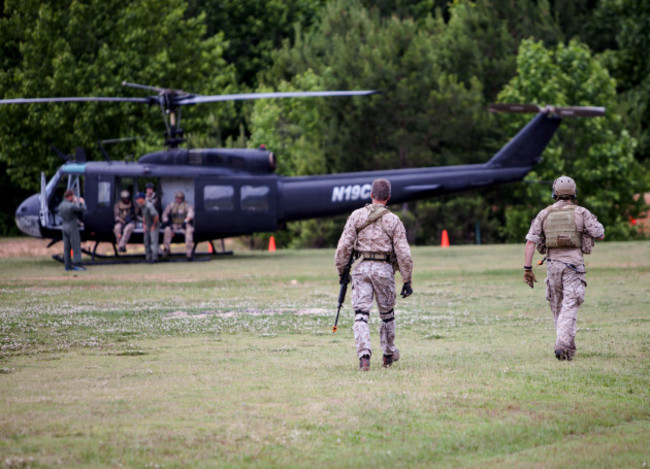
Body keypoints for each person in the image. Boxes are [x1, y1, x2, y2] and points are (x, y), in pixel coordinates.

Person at [334, 178, 413, 371]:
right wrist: (406, 279)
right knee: (387, 315)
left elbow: (344, 246)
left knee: (361, 315)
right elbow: (403, 253)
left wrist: (341, 270)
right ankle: (388, 354)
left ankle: (364, 356)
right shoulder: (393, 220)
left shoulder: (356, 216)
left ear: (371, 195)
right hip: (384, 271)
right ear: (388, 197)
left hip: (361, 270)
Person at [523, 175, 605, 361]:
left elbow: (530, 243)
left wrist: (527, 268)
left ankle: (568, 347)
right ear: (573, 193)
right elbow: (599, 234)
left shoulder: (544, 214)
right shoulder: (582, 212)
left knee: (558, 307)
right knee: (569, 305)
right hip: (574, 267)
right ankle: (561, 344)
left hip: (552, 267)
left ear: (555, 193)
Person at [58, 189, 87, 271]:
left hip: (64, 227)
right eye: (73, 196)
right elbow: (83, 208)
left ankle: (67, 265)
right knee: (76, 246)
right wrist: (82, 202)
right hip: (72, 227)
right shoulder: (71, 206)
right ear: (70, 196)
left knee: (66, 248)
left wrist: (73, 202)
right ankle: (77, 264)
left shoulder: (61, 205)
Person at [162, 191, 194, 260]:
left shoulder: (187, 205)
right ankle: (166, 250)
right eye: (177, 198)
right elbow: (164, 214)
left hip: (184, 224)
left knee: (189, 232)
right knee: (167, 230)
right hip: (174, 224)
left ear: (183, 198)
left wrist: (185, 222)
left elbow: (190, 214)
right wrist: (167, 221)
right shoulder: (171, 205)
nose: (178, 199)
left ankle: (189, 254)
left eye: (180, 198)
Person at [135, 192, 159, 263]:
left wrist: (154, 225)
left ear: (142, 199)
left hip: (153, 224)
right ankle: (148, 257)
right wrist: (144, 225)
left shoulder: (149, 205)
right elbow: (144, 216)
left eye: (137, 199)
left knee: (153, 241)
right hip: (147, 224)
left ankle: (154, 258)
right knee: (146, 241)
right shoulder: (142, 206)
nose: (136, 201)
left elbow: (156, 216)